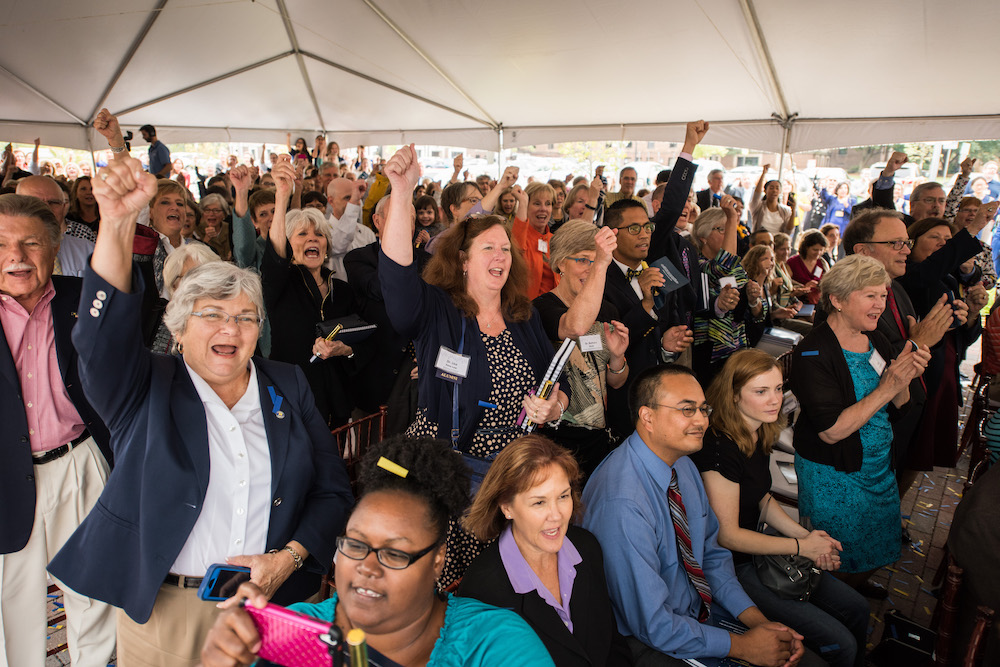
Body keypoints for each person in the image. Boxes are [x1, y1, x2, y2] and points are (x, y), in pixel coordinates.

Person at [47, 155, 353, 666]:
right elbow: (100, 343)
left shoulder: (287, 382)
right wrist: (118, 223)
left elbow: (331, 489)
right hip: (171, 612)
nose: (229, 330)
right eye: (210, 316)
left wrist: (290, 558)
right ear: (179, 327)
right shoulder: (145, 385)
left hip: (266, 605)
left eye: (244, 318)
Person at [378, 144, 568, 587]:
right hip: (449, 471)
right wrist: (402, 191)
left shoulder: (523, 316)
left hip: (514, 476)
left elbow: (554, 387)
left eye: (505, 249)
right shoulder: (439, 313)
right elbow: (396, 275)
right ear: (463, 260)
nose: (500, 256)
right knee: (451, 585)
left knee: (504, 586)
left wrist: (553, 406)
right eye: (488, 248)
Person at [202, 436, 554, 667]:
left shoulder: (496, 646)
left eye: (396, 553)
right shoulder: (289, 636)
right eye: (356, 545)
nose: (367, 567)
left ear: (437, 561)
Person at [584, 364, 807, 666]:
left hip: (696, 613)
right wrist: (742, 647)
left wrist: (756, 621)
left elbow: (712, 556)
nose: (702, 420)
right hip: (647, 642)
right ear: (647, 417)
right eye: (687, 410)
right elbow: (654, 626)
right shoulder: (622, 503)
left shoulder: (682, 464)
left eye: (704, 409)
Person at [691, 350, 869, 667]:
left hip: (759, 551)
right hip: (731, 566)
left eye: (777, 388)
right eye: (761, 391)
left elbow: (760, 497)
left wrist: (809, 537)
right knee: (841, 644)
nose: (774, 399)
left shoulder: (758, 428)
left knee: (857, 608)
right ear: (733, 396)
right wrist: (802, 546)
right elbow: (728, 536)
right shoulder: (719, 447)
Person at [0, 194, 116, 667]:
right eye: (3, 244)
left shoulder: (82, 298)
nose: (17, 257)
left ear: (55, 249)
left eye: (31, 244)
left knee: (95, 593)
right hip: (6, 473)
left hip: (78, 460)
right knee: (12, 602)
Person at [789, 255, 930, 593]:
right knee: (835, 557)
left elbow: (897, 408)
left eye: (883, 295)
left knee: (875, 548)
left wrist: (907, 374)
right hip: (836, 475)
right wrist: (888, 387)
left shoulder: (876, 339)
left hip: (878, 469)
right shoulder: (812, 353)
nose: (880, 304)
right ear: (836, 300)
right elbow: (832, 431)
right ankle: (836, 608)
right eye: (870, 295)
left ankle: (852, 590)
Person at [459, 434, 631, 666]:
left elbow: (612, 644)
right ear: (506, 507)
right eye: (539, 502)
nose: (557, 516)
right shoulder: (482, 591)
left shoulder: (586, 547)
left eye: (563, 496)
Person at [263, 159, 361, 428]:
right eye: (302, 234)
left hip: (337, 403)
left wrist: (346, 349)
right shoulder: (281, 285)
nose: (312, 238)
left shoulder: (343, 291)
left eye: (319, 234)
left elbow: (360, 343)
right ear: (288, 245)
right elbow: (273, 257)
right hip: (291, 400)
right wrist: (282, 195)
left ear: (327, 246)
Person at [533, 221, 630, 477]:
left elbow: (616, 383)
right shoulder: (541, 309)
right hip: (556, 439)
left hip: (599, 439)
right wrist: (600, 262)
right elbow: (574, 326)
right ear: (561, 263)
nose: (590, 268)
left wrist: (618, 357)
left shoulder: (608, 311)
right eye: (583, 260)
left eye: (596, 261)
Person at [899, 217, 986, 471]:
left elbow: (963, 338)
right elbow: (927, 272)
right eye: (935, 237)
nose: (943, 244)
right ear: (912, 242)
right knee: (907, 453)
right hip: (918, 373)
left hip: (944, 373)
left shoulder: (948, 281)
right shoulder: (908, 275)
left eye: (948, 240)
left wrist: (969, 314)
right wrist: (969, 233)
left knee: (921, 458)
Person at [344, 195, 432, 434]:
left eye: (410, 219)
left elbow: (438, 317)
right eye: (398, 216)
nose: (405, 224)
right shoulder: (358, 258)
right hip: (374, 376)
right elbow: (382, 289)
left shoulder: (431, 264)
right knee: (370, 457)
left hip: (416, 376)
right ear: (377, 220)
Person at [691, 202, 763, 384]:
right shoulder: (697, 265)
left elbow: (756, 313)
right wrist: (732, 218)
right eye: (722, 229)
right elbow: (722, 267)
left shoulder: (738, 268)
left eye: (729, 229)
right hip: (710, 350)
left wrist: (754, 300)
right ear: (703, 237)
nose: (729, 234)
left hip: (737, 346)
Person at [15, 175, 95, 277]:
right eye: (35, 202)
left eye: (53, 202)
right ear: (17, 206)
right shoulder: (5, 255)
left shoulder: (88, 251)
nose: (46, 208)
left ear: (64, 206)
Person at [512, 181, 560, 299]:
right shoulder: (520, 237)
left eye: (548, 204)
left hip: (553, 308)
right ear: (526, 206)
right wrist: (522, 203)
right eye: (537, 203)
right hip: (527, 309)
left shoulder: (555, 240)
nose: (543, 209)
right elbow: (517, 249)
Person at [786, 230, 828, 305]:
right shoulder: (792, 262)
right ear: (806, 248)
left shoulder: (822, 263)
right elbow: (786, 285)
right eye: (815, 250)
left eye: (821, 250)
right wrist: (803, 287)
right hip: (797, 302)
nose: (818, 253)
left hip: (818, 302)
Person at [750, 165, 793, 235]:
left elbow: (788, 231)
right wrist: (763, 174)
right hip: (760, 242)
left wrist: (793, 211)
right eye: (771, 188)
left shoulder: (785, 211)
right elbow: (756, 195)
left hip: (778, 243)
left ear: (780, 191)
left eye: (777, 188)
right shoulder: (758, 207)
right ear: (765, 190)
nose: (774, 191)